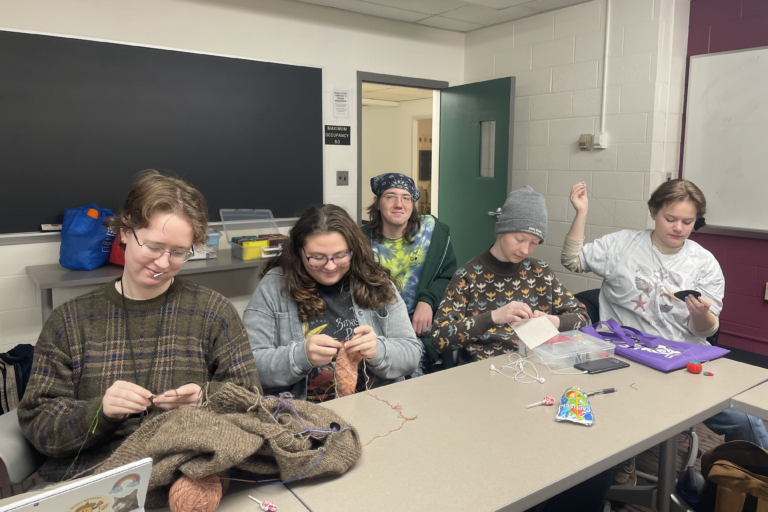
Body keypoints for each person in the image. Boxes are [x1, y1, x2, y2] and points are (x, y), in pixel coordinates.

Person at [18, 170, 261, 481]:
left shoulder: (214, 312)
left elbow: (252, 402)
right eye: (153, 246)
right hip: (93, 480)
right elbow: (39, 426)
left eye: (178, 252)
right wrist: (100, 411)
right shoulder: (69, 321)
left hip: (186, 476)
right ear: (124, 231)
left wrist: (208, 398)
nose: (163, 263)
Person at [561, 178, 768, 483]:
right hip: (628, 355)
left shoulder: (704, 262)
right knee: (619, 414)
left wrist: (701, 315)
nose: (678, 228)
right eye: (670, 219)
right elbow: (572, 260)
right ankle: (624, 459)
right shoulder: (622, 245)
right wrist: (580, 213)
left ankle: (756, 485)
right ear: (653, 212)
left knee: (746, 420)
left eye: (688, 221)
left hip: (683, 358)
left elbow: (708, 330)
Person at [243, 204, 422, 402]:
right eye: (317, 258)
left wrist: (378, 350)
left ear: (355, 249)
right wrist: (300, 357)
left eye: (341, 255)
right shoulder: (275, 287)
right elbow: (248, 366)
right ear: (298, 252)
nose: (330, 266)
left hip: (375, 405)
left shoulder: (376, 283)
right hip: (302, 415)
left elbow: (411, 354)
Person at [432, 186, 590, 362]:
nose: (525, 249)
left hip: (537, 366)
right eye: (520, 239)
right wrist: (493, 317)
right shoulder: (468, 276)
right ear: (501, 230)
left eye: (534, 243)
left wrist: (554, 322)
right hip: (485, 372)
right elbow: (439, 337)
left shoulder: (540, 273)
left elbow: (583, 318)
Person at [362, 172, 457, 374]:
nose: (399, 204)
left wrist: (427, 301)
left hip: (418, 329)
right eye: (390, 196)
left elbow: (449, 276)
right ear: (377, 202)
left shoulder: (433, 233)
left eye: (406, 198)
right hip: (375, 329)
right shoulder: (360, 240)